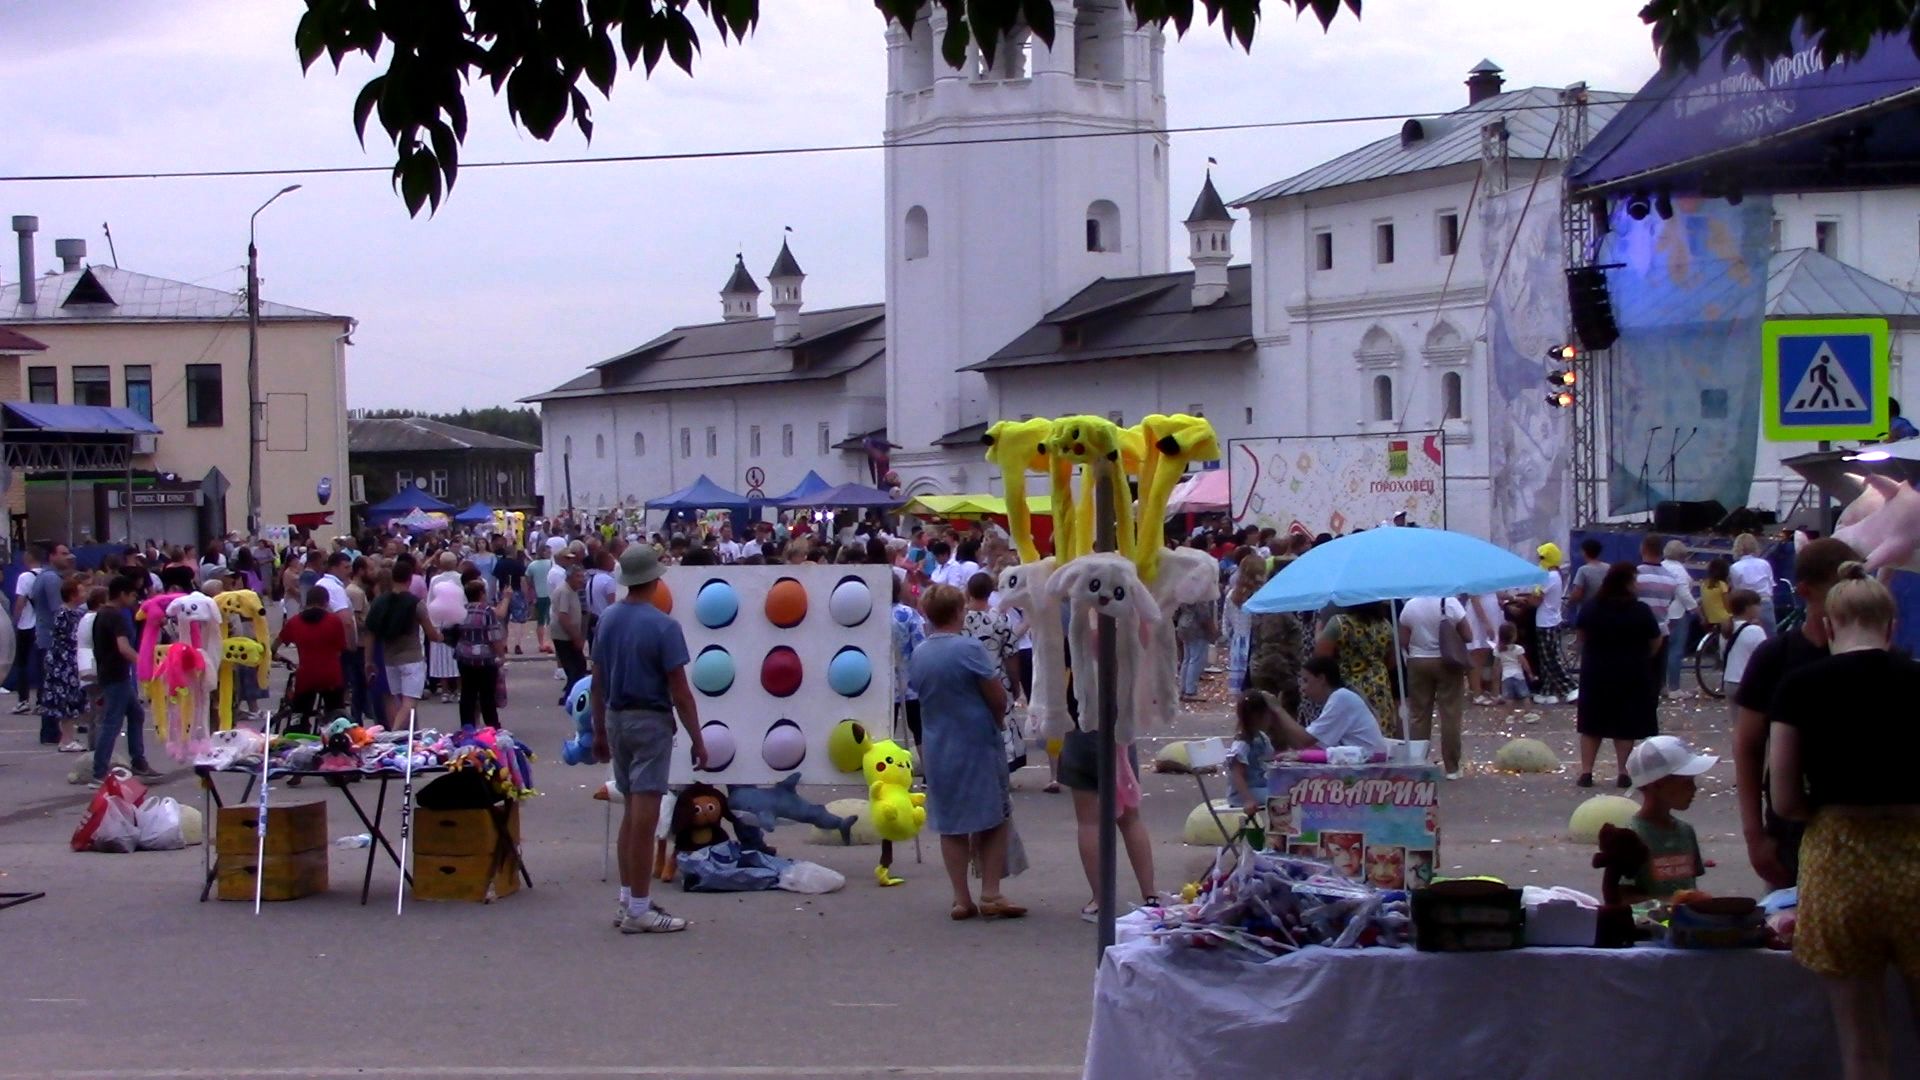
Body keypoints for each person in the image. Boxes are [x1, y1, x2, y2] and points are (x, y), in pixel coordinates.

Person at [1766, 563, 1920, 1080]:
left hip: (1840, 864)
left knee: (1862, 1043)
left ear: (1829, 626)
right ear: (1891, 626)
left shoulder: (1798, 687)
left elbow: (1784, 799)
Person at [590, 545, 708, 934]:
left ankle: (628, 899)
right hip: (650, 720)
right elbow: (680, 691)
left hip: (616, 717)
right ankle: (639, 910)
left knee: (629, 813)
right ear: (655, 580)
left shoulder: (607, 619)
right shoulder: (664, 626)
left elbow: (597, 681)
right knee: (645, 816)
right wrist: (697, 738)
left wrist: (597, 729)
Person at [1734, 537, 1858, 889]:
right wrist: (1754, 835)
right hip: (1792, 832)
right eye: (1834, 595)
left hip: (1866, 831)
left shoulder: (1875, 656)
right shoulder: (1776, 656)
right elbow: (1747, 746)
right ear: (1805, 592)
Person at [908, 584, 1025, 920]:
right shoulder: (969, 649)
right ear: (959, 611)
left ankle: (961, 897)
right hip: (976, 741)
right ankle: (991, 892)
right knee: (994, 817)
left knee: (952, 824)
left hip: (938, 743)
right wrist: (1000, 719)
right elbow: (996, 695)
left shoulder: (921, 653)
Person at [1574, 562, 1663, 788]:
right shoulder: (1640, 610)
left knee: (1592, 723)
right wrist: (1643, 657)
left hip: (1596, 671)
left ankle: (1587, 771)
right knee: (1626, 724)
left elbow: (1581, 635)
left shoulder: (1592, 607)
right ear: (1626, 583)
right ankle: (1623, 771)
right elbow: (1655, 639)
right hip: (1631, 671)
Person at [1616, 734, 1716, 903]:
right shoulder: (1631, 836)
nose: (1694, 788)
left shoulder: (1685, 832)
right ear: (1657, 785)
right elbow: (1621, 896)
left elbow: (1690, 886)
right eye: (1686, 782)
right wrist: (1672, 903)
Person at [92, 576, 161, 785]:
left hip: (113, 673)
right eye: (132, 595)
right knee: (112, 722)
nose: (134, 599)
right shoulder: (115, 617)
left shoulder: (102, 614)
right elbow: (123, 647)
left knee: (136, 714)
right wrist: (144, 664)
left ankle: (138, 761)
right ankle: (99, 771)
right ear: (122, 594)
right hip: (116, 675)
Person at [363, 558, 442, 730]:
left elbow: (370, 633)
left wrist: (368, 661)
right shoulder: (415, 604)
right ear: (410, 579)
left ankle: (409, 735)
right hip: (411, 658)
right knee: (409, 702)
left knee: (398, 699)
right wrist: (441, 636)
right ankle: (394, 732)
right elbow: (431, 634)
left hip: (389, 658)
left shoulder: (379, 603)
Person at [1399, 593, 1468, 777]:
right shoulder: (1451, 603)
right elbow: (1468, 635)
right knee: (1450, 714)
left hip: (1418, 661)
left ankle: (1418, 763)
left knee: (1419, 715)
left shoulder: (1410, 605)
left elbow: (1403, 640)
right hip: (1448, 661)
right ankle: (1452, 767)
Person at [1271, 655, 1389, 757]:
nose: (1302, 688)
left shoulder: (1341, 698)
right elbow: (1302, 745)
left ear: (1321, 679)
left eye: (1306, 681)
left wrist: (1278, 709)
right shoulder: (1338, 698)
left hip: (1369, 765)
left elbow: (1305, 740)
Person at [962, 572, 1022, 761]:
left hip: (967, 682)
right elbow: (1011, 655)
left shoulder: (960, 620)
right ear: (990, 592)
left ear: (969, 591)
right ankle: (1004, 765)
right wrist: (1015, 683)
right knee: (1001, 723)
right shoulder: (1002, 620)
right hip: (998, 678)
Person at [273, 585, 350, 716]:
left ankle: (300, 728)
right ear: (326, 602)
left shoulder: (294, 622)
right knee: (337, 715)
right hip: (330, 675)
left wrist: (278, 656)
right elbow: (340, 649)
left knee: (300, 714)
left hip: (306, 675)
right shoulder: (334, 621)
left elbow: (275, 645)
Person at [39, 578, 87, 753]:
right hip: (63, 663)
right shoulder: (64, 614)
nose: (85, 594)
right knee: (66, 701)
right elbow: (67, 638)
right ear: (73, 595)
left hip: (69, 661)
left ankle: (68, 737)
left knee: (72, 700)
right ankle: (66, 740)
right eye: (81, 591)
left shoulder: (75, 613)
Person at [453, 578, 509, 728]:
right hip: (485, 659)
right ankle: (492, 726)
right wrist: (501, 655)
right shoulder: (487, 611)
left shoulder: (461, 610)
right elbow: (493, 636)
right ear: (481, 593)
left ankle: (467, 726)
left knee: (467, 693)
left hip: (464, 657)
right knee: (487, 695)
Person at [1526, 541, 1576, 704]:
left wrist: (1527, 598)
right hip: (1551, 620)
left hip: (1546, 622)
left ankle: (1570, 688)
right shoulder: (1556, 575)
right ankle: (1548, 692)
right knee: (1545, 658)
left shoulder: (1548, 577)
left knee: (1551, 659)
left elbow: (1535, 600)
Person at [1229, 691, 1280, 817]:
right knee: (1281, 797)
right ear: (1257, 716)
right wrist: (1248, 799)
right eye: (1268, 714)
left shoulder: (1262, 737)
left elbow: (1270, 759)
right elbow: (1237, 775)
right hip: (1243, 794)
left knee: (1290, 791)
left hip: (1261, 786)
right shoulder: (1242, 744)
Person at [1660, 539, 1699, 695]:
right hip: (1677, 612)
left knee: (1663, 651)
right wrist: (1695, 608)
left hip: (1662, 612)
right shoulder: (1679, 570)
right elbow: (1682, 592)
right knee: (1676, 650)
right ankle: (1674, 687)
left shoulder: (1661, 566)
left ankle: (1662, 685)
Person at [5, 545, 41, 716]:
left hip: (26, 624)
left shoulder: (25, 576)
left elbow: (21, 600)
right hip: (42, 625)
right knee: (43, 664)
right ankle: (42, 701)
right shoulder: (48, 575)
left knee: (22, 662)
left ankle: (23, 700)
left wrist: (15, 620)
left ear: (28, 558)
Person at [1223, 554, 1266, 695]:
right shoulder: (1261, 595)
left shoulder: (1232, 595)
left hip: (1239, 641)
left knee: (1242, 688)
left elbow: (1226, 622)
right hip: (1258, 642)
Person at [550, 562, 589, 702]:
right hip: (564, 636)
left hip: (568, 634)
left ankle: (570, 692)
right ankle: (571, 696)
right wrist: (576, 637)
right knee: (575, 667)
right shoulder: (565, 591)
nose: (581, 579)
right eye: (578, 576)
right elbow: (563, 616)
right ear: (570, 577)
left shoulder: (572, 591)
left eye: (582, 576)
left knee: (578, 666)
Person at [1729, 532, 1778, 638]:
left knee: (1748, 636)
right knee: (1770, 638)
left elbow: (1736, 589)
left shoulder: (1735, 567)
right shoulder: (1764, 564)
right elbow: (1770, 585)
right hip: (1765, 601)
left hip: (1746, 606)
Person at [1173, 591, 1217, 702]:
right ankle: (1190, 691)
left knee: (1187, 659)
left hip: (1184, 625)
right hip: (1197, 629)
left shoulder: (1184, 592)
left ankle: (1183, 689)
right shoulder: (1200, 595)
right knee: (1196, 659)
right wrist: (1213, 631)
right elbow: (1204, 615)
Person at [1565, 537, 1609, 621]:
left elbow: (1578, 593)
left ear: (1584, 552)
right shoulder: (1608, 568)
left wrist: (1569, 602)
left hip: (1587, 612)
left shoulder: (1583, 570)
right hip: (1606, 611)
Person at [526, 543, 555, 655]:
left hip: (539, 595)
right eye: (548, 552)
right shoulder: (551, 564)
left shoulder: (532, 565)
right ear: (543, 552)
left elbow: (528, 580)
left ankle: (541, 643)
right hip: (550, 594)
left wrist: (532, 591)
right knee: (550, 619)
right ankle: (549, 642)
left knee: (540, 620)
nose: (550, 554)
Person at [1495, 623, 1533, 703]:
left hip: (1506, 677)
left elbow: (1497, 666)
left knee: (1508, 698)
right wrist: (1530, 673)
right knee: (1525, 696)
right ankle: (1528, 712)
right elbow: (1524, 663)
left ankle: (1509, 714)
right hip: (1518, 676)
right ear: (1514, 636)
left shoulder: (1498, 650)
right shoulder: (1518, 649)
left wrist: (1497, 677)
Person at [1700, 556, 1732, 636]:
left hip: (1710, 618)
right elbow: (1727, 605)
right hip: (1723, 619)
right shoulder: (1722, 585)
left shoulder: (1704, 584)